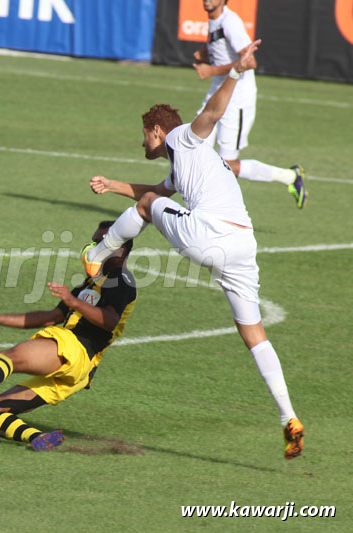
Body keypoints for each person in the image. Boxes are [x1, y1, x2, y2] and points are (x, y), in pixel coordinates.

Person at [83, 40, 304, 460]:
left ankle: (94, 257)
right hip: (243, 246)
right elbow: (155, 192)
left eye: (144, 135)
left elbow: (213, 114)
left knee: (148, 208)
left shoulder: (183, 139)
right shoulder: (187, 162)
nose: (142, 143)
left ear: (157, 131)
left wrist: (236, 70)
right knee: (254, 334)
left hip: (210, 236)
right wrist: (112, 185)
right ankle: (288, 417)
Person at [0, 221, 136, 451]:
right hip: (77, 373)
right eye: (93, 241)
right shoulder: (92, 282)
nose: (93, 247)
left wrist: (73, 301)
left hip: (76, 351)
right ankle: (38, 438)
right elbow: (51, 317)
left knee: (13, 357)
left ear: (120, 248)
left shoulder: (121, 279)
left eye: (100, 242)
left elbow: (110, 320)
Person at [192, 0, 307, 208]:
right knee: (194, 149)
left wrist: (212, 70)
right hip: (217, 95)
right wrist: (205, 53)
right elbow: (221, 48)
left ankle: (289, 177)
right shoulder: (214, 20)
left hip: (236, 101)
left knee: (225, 166)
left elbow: (250, 61)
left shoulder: (230, 22)